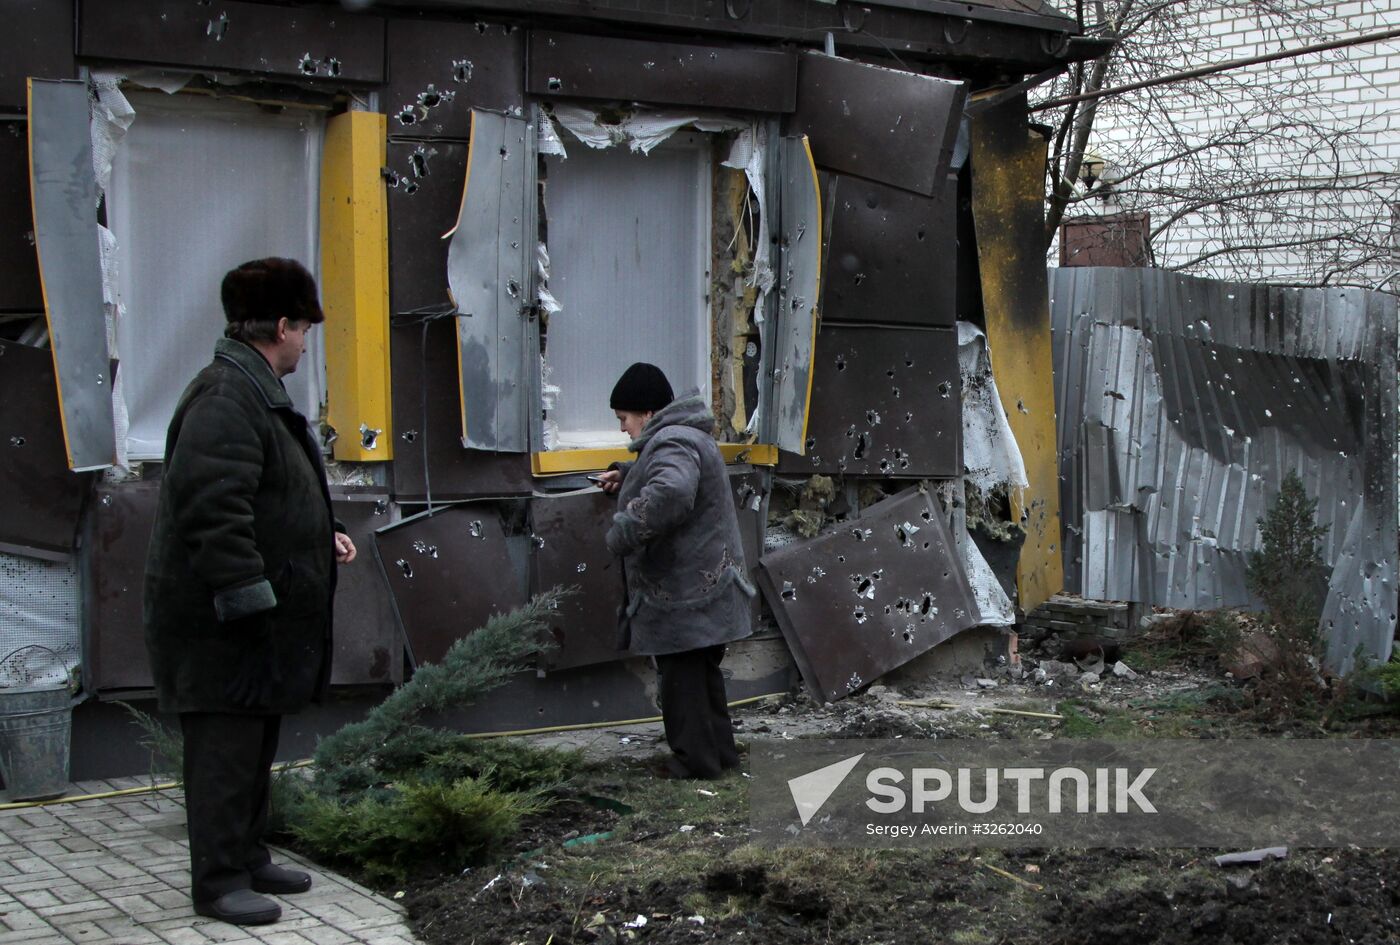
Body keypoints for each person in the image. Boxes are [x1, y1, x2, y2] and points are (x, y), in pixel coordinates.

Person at [143, 258, 356, 926]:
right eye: (305, 330)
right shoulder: (226, 397)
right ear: (284, 325)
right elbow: (215, 509)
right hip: (221, 624)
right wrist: (248, 599)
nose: (305, 343)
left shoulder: (251, 390)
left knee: (253, 744)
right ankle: (219, 880)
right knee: (224, 753)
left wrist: (322, 532)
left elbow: (268, 494)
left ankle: (248, 852)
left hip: (251, 620)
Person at [595, 363, 754, 779]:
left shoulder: (670, 441)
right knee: (702, 679)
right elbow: (676, 477)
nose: (623, 429)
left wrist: (623, 531)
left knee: (682, 683)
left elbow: (672, 492)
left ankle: (694, 764)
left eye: (624, 419)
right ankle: (719, 756)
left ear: (646, 413)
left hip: (684, 593)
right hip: (705, 589)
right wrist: (629, 474)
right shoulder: (686, 437)